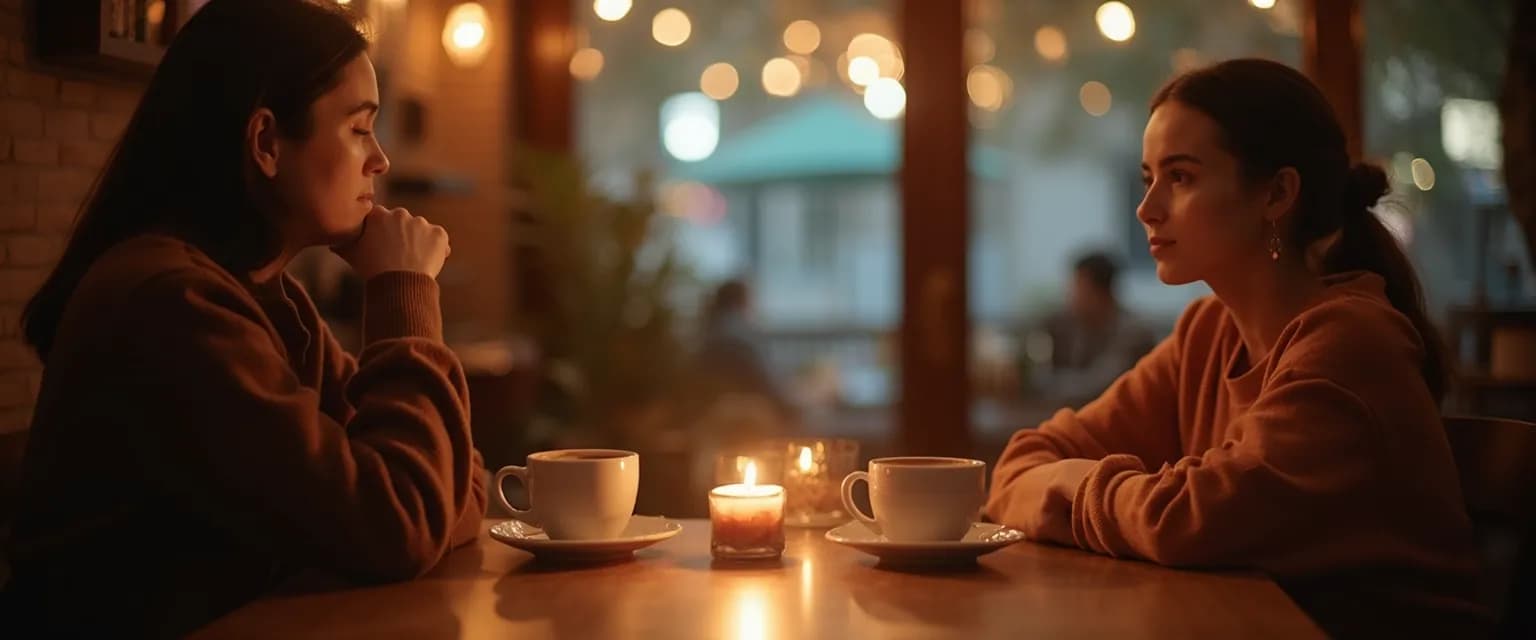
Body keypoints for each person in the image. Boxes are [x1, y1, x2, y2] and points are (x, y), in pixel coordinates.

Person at [0, 1, 486, 635]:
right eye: (359, 128)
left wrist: (421, 501)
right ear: (265, 142)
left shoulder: (269, 302)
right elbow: (403, 522)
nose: (381, 161)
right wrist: (403, 290)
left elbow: (451, 486)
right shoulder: (171, 306)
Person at [986, 59, 1484, 637]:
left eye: (1181, 177)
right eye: (1147, 177)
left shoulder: (1351, 343)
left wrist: (1073, 483)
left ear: (1276, 193)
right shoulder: (1208, 333)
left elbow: (1187, 521)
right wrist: (1091, 487)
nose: (1146, 208)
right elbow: (1021, 464)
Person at [1032, 251, 1156, 407]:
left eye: (1078, 288)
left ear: (1102, 293)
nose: (1070, 295)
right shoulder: (1067, 322)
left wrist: (1049, 383)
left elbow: (1099, 386)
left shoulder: (1135, 333)